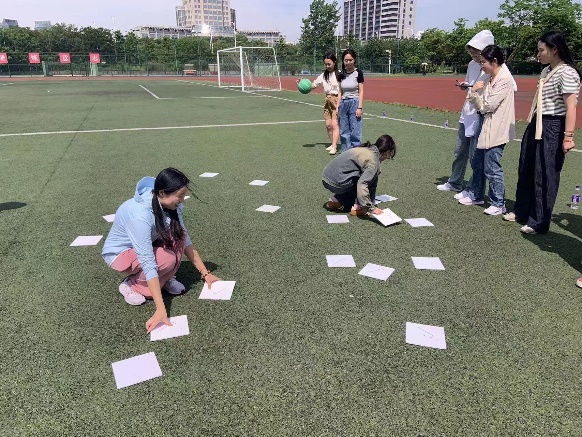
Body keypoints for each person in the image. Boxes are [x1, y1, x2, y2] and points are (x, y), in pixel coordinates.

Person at [102, 168, 219, 333]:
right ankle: (131, 285)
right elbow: (147, 260)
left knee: (179, 237)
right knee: (166, 259)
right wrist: (161, 309)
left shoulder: (169, 204)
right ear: (162, 193)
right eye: (180, 196)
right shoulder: (140, 216)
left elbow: (185, 240)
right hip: (120, 253)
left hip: (146, 242)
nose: (182, 201)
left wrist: (205, 273)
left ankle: (165, 279)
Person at [503, 31, 580, 234]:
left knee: (545, 172)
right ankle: (521, 210)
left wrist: (568, 136)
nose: (538, 54)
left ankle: (539, 220)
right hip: (537, 122)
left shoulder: (567, 73)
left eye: (541, 50)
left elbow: (571, 107)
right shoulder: (547, 70)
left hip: (553, 125)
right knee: (526, 166)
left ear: (554, 50)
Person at [458, 45, 516, 215]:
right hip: (485, 123)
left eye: (484, 62)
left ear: (494, 61)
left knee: (492, 166)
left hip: (496, 126)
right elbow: (483, 104)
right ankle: (477, 195)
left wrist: (473, 92)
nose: (481, 65)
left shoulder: (504, 79)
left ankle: (498, 203)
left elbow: (487, 106)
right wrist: (475, 93)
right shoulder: (490, 76)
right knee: (477, 162)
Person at [437, 30, 494, 196]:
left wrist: (477, 89)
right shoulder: (471, 65)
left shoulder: (493, 66)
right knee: (459, 150)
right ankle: (455, 182)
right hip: (467, 112)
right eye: (472, 53)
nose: (474, 56)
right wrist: (466, 86)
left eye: (476, 52)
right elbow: (471, 84)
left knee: (475, 155)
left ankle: (473, 188)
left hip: (481, 113)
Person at [322, 135, 396, 216]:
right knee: (372, 179)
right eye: (389, 155)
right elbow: (362, 184)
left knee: (363, 176)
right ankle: (358, 207)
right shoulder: (373, 162)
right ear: (387, 152)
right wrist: (370, 207)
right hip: (337, 183)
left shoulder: (366, 148)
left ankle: (336, 200)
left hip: (326, 177)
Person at [298, 53, 342, 155]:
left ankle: (334, 147)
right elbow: (313, 85)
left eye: (329, 64)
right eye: (325, 64)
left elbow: (342, 89)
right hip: (327, 100)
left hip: (337, 100)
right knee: (328, 125)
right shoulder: (323, 75)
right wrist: (303, 82)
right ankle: (332, 143)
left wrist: (339, 104)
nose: (327, 66)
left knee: (334, 124)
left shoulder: (339, 74)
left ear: (334, 63)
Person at [338, 49, 364, 152]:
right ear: (343, 61)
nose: (348, 62)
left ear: (354, 60)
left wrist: (359, 107)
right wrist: (338, 106)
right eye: (346, 60)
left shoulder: (358, 73)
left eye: (350, 60)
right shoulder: (341, 74)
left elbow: (361, 91)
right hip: (343, 103)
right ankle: (346, 153)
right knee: (344, 130)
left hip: (355, 102)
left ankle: (356, 153)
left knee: (355, 130)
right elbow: (340, 92)